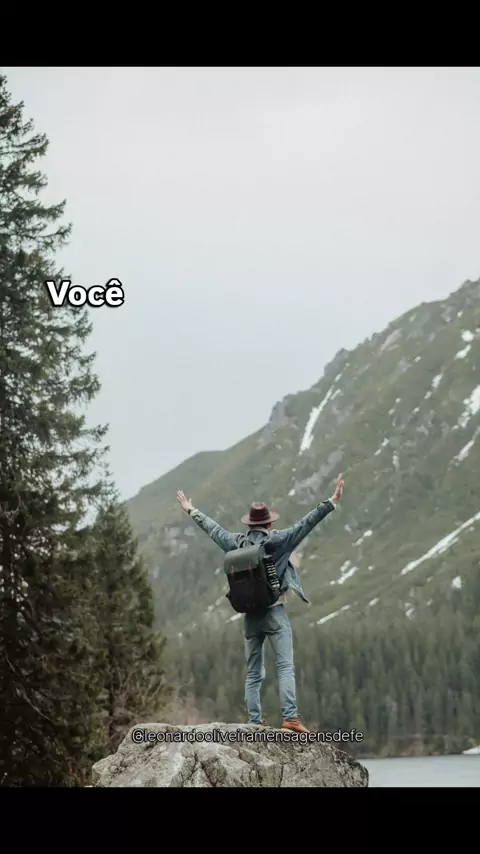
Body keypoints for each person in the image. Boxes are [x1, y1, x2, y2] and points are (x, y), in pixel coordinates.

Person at [176, 473, 344, 733]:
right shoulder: (279, 540)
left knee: (254, 672)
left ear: (249, 524)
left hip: (249, 616)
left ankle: (254, 721)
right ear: (268, 523)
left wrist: (191, 509)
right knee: (284, 666)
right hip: (274, 613)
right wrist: (331, 501)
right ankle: (290, 718)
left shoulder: (236, 543)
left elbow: (213, 529)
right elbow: (307, 523)